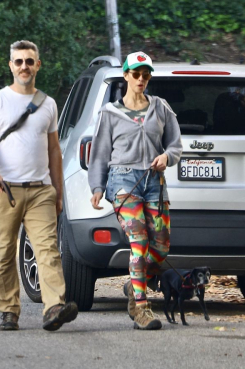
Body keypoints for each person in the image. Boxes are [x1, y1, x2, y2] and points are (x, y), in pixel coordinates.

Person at [0, 40, 78, 331]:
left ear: (38, 65)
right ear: (11, 65)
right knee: (4, 252)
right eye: (19, 61)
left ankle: (53, 308)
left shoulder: (48, 104)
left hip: (40, 190)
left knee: (47, 248)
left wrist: (58, 192)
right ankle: (9, 310)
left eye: (29, 61)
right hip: (5, 189)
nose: (24, 66)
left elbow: (54, 151)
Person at [88, 51, 182, 330]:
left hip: (154, 180)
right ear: (126, 75)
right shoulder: (110, 113)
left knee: (160, 247)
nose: (141, 79)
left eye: (145, 74)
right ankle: (142, 308)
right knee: (139, 244)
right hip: (123, 182)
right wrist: (97, 186)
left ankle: (134, 282)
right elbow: (100, 154)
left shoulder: (161, 107)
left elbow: (175, 145)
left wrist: (167, 157)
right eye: (136, 73)